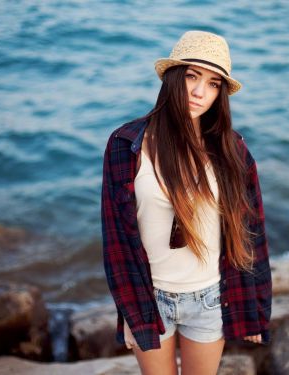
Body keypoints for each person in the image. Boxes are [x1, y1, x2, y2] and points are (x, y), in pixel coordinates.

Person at [101, 30, 272, 375]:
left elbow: (250, 232)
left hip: (210, 298)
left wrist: (255, 310)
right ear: (173, 77)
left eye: (212, 84)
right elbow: (115, 240)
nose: (199, 92)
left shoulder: (232, 150)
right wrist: (131, 312)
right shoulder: (126, 145)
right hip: (151, 298)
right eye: (192, 76)